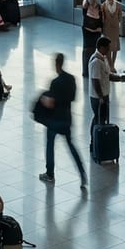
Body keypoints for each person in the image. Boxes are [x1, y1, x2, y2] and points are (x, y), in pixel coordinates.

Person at [38, 53, 88, 190]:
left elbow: (50, 103)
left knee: (50, 145)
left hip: (54, 120)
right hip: (67, 119)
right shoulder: (71, 79)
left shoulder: (55, 83)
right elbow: (73, 98)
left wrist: (43, 100)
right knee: (71, 146)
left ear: (56, 63)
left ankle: (50, 173)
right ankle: (82, 174)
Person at [88, 36, 125, 150]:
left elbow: (108, 75)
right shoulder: (96, 61)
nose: (109, 50)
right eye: (107, 48)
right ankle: (94, 143)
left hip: (104, 94)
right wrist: (100, 97)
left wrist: (120, 78)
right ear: (101, 47)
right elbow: (95, 81)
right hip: (97, 97)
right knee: (98, 119)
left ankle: (98, 141)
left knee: (102, 119)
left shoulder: (103, 59)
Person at [81, 0, 103, 76]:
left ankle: (94, 70)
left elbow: (101, 21)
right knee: (87, 51)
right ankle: (85, 71)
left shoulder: (99, 7)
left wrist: (100, 29)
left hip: (96, 32)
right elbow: (84, 3)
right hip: (87, 32)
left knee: (95, 51)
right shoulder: (86, 5)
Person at [100, 0, 123, 70]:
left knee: (115, 47)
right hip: (107, 28)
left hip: (115, 28)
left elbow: (120, 16)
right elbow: (102, 17)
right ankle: (110, 66)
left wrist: (117, 23)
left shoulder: (118, 5)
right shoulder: (103, 5)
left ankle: (113, 63)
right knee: (108, 47)